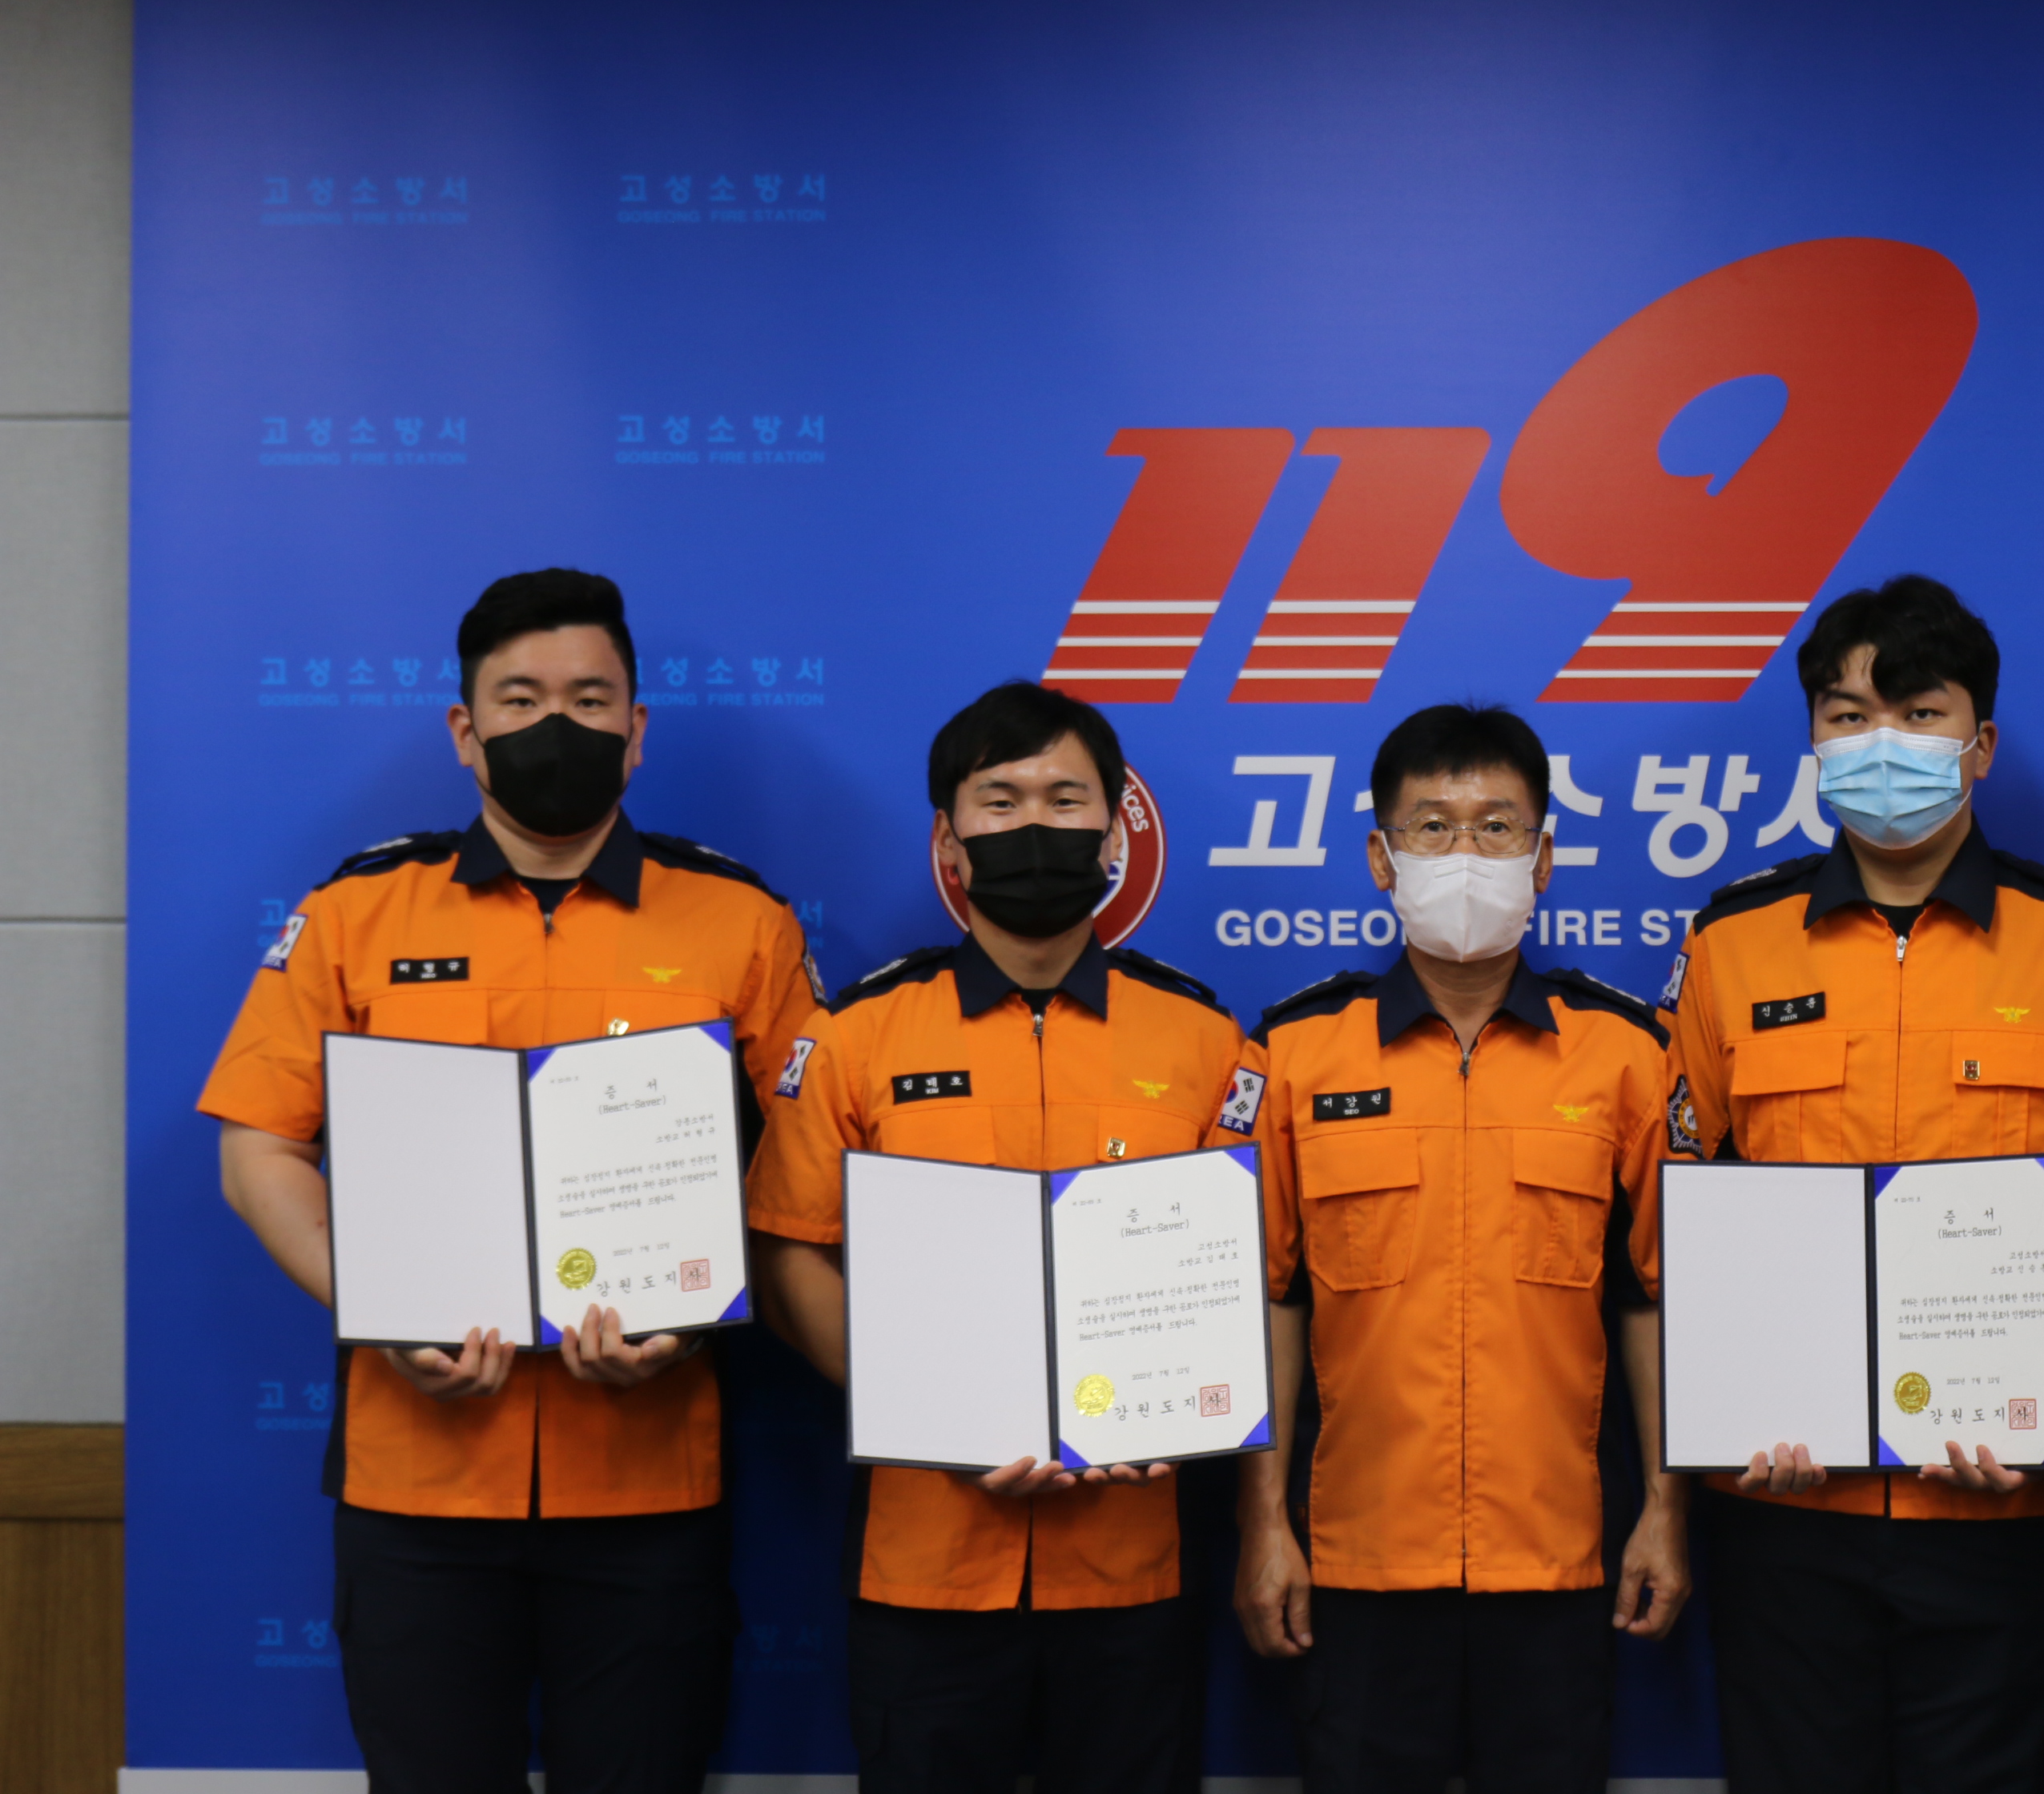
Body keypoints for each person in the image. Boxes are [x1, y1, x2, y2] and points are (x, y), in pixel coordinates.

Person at [207, 568, 823, 1793]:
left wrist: (696, 1315)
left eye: (590, 700)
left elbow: (800, 1181)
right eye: (522, 698)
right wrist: (379, 1303)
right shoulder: (356, 913)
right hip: (417, 1484)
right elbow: (257, 1149)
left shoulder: (741, 921)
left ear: (636, 730)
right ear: (465, 727)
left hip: (648, 1483)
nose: (558, 726)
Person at [1658, 575, 2044, 1794]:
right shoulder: (1730, 946)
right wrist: (1726, 1404)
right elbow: (1680, 1208)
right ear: (1814, 742)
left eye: (1920, 714)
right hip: (1784, 1504)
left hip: (2006, 1511)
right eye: (1848, 716)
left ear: (1981, 745)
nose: (1883, 745)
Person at [746, 680, 1241, 1794]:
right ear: (949, 839)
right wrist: (931, 1404)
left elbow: (1239, 1280)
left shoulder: (1207, 1042)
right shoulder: (857, 1036)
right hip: (926, 1562)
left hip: (1132, 1560)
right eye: (1001, 800)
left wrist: (1176, 1400)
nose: (1034, 825)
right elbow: (787, 1250)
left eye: (1067, 800)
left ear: (1115, 832)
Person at [1229, 702, 1686, 1793]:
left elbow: (1655, 1300)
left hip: (1557, 1561)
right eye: (1432, 827)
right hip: (1357, 1562)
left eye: (1496, 826)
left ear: (1544, 857)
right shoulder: (1294, 1053)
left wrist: (1667, 1512)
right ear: (1381, 858)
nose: (1465, 853)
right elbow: (1266, 1302)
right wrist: (1264, 1524)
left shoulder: (1625, 1055)